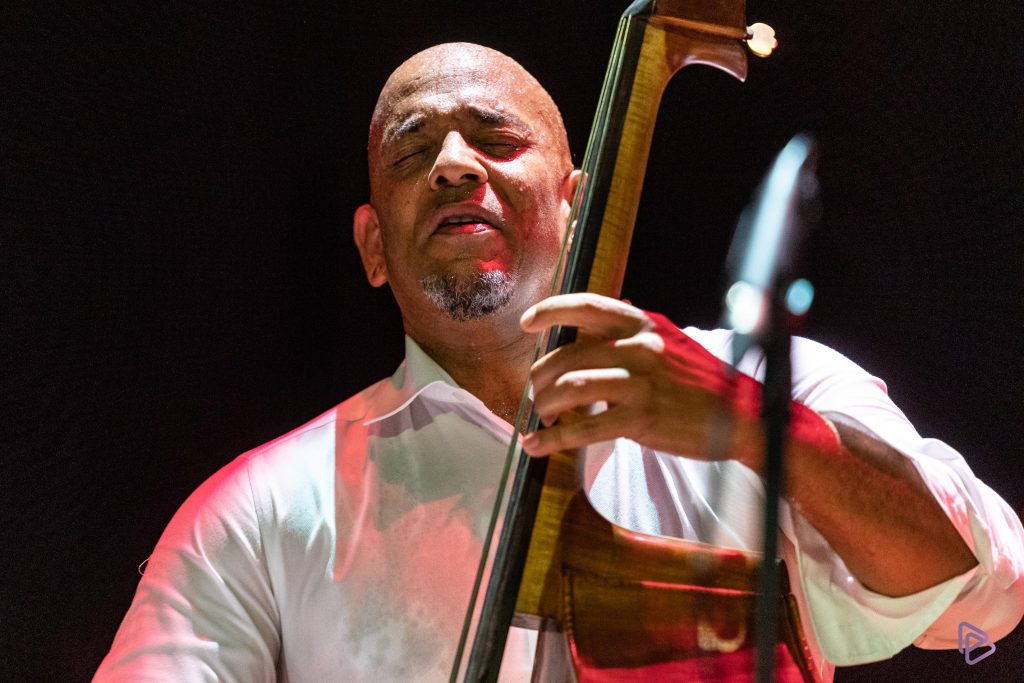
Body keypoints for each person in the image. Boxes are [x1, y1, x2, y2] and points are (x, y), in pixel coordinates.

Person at [94, 43, 1024, 682]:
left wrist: (753, 422)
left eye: (496, 139)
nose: (454, 164)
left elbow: (987, 597)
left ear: (578, 206)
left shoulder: (769, 381)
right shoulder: (256, 513)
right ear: (373, 248)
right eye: (414, 152)